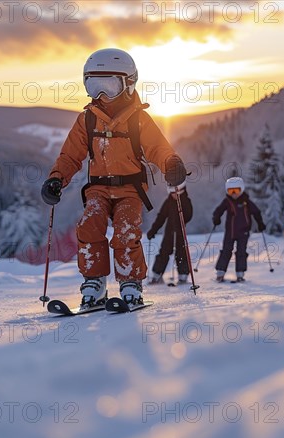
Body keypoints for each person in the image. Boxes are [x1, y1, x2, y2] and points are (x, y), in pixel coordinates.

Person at [41, 48, 187, 309]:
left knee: (126, 229)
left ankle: (130, 282)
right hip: (98, 188)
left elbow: (157, 148)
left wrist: (171, 164)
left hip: (130, 188)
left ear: (129, 84)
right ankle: (95, 282)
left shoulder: (138, 120)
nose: (101, 95)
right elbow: (70, 156)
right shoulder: (86, 120)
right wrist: (56, 178)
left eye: (108, 86)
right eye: (94, 86)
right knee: (89, 225)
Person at [212, 177, 266, 282]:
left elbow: (256, 212)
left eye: (236, 190)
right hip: (230, 232)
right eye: (230, 191)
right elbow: (218, 211)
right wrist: (216, 218)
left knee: (241, 252)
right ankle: (220, 273)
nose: (233, 193)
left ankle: (240, 274)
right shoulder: (227, 201)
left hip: (243, 231)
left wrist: (260, 223)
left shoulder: (246, 201)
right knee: (226, 251)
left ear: (241, 190)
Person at [146, 182, 193, 285]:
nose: (173, 195)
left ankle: (183, 276)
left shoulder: (186, 201)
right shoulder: (168, 202)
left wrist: (183, 207)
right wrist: (153, 230)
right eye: (171, 193)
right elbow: (161, 217)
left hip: (181, 232)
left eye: (175, 193)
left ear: (181, 192)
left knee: (181, 254)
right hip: (169, 232)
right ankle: (156, 275)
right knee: (163, 252)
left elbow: (189, 216)